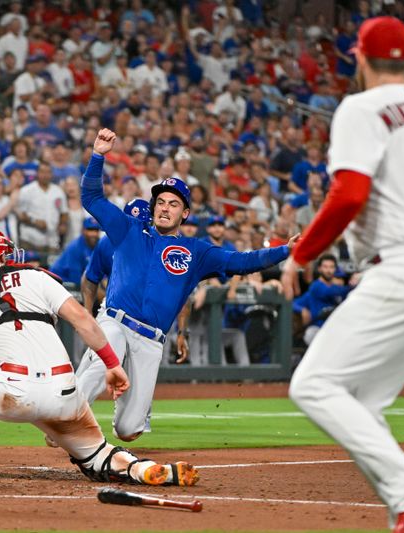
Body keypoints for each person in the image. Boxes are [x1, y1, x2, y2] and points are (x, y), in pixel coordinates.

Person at [280, 18, 404, 533]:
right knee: (364, 402)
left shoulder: (361, 107)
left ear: (361, 58)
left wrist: (300, 255)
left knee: (314, 384)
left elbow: (348, 192)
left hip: (402, 267)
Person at [0, 226, 199, 486]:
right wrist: (111, 364)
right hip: (66, 392)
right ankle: (141, 468)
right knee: (97, 454)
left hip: (12, 394)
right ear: (3, 256)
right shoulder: (36, 277)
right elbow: (84, 320)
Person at [77, 129, 296, 441]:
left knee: (129, 431)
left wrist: (285, 250)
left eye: (174, 204)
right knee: (110, 340)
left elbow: (241, 261)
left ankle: (115, 412)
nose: (165, 208)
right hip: (115, 321)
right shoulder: (127, 229)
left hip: (151, 341)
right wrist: (98, 155)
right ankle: (69, 413)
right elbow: (91, 198)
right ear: (153, 207)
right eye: (161, 202)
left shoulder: (198, 251)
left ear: (186, 213)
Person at [299, 254, 358, 345]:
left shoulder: (337, 287)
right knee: (311, 334)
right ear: (319, 269)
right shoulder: (316, 286)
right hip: (318, 328)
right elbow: (329, 292)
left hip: (335, 329)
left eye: (331, 267)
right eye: (325, 267)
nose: (329, 270)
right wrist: (352, 285)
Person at [50, 217, 101, 285]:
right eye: (90, 230)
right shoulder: (75, 247)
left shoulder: (99, 246)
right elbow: (75, 277)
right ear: (83, 230)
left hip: (77, 280)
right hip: (59, 280)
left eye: (96, 230)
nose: (94, 234)